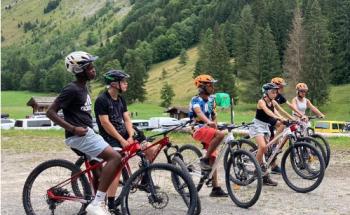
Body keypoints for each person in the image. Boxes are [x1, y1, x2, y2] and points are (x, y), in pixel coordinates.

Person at [46, 51, 121, 215]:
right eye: (90, 67)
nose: (94, 70)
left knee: (98, 172)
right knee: (115, 158)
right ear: (80, 70)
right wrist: (73, 129)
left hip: (88, 134)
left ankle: (97, 204)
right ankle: (97, 203)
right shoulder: (72, 89)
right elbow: (50, 112)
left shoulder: (83, 87)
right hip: (79, 136)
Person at [94, 70, 158, 213]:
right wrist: (122, 140)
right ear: (114, 83)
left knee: (151, 149)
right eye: (123, 81)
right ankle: (111, 204)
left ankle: (143, 179)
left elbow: (127, 119)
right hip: (110, 138)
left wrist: (130, 136)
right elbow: (105, 123)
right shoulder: (102, 100)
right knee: (116, 167)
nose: (126, 83)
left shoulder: (121, 99)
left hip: (124, 135)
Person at [189, 74, 228, 197]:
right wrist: (208, 122)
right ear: (201, 87)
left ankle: (215, 188)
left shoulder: (211, 100)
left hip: (209, 129)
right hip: (198, 128)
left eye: (213, 85)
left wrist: (214, 124)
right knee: (221, 135)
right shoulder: (195, 100)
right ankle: (204, 159)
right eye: (210, 85)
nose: (213, 87)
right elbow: (198, 112)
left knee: (214, 158)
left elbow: (214, 115)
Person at [249, 83, 285, 186]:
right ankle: (256, 169)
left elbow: (278, 113)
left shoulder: (272, 102)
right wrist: (278, 118)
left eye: (275, 92)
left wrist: (285, 119)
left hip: (265, 127)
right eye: (272, 92)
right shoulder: (261, 102)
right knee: (263, 147)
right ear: (266, 93)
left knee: (266, 151)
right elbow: (267, 112)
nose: (275, 94)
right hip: (257, 126)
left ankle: (265, 177)